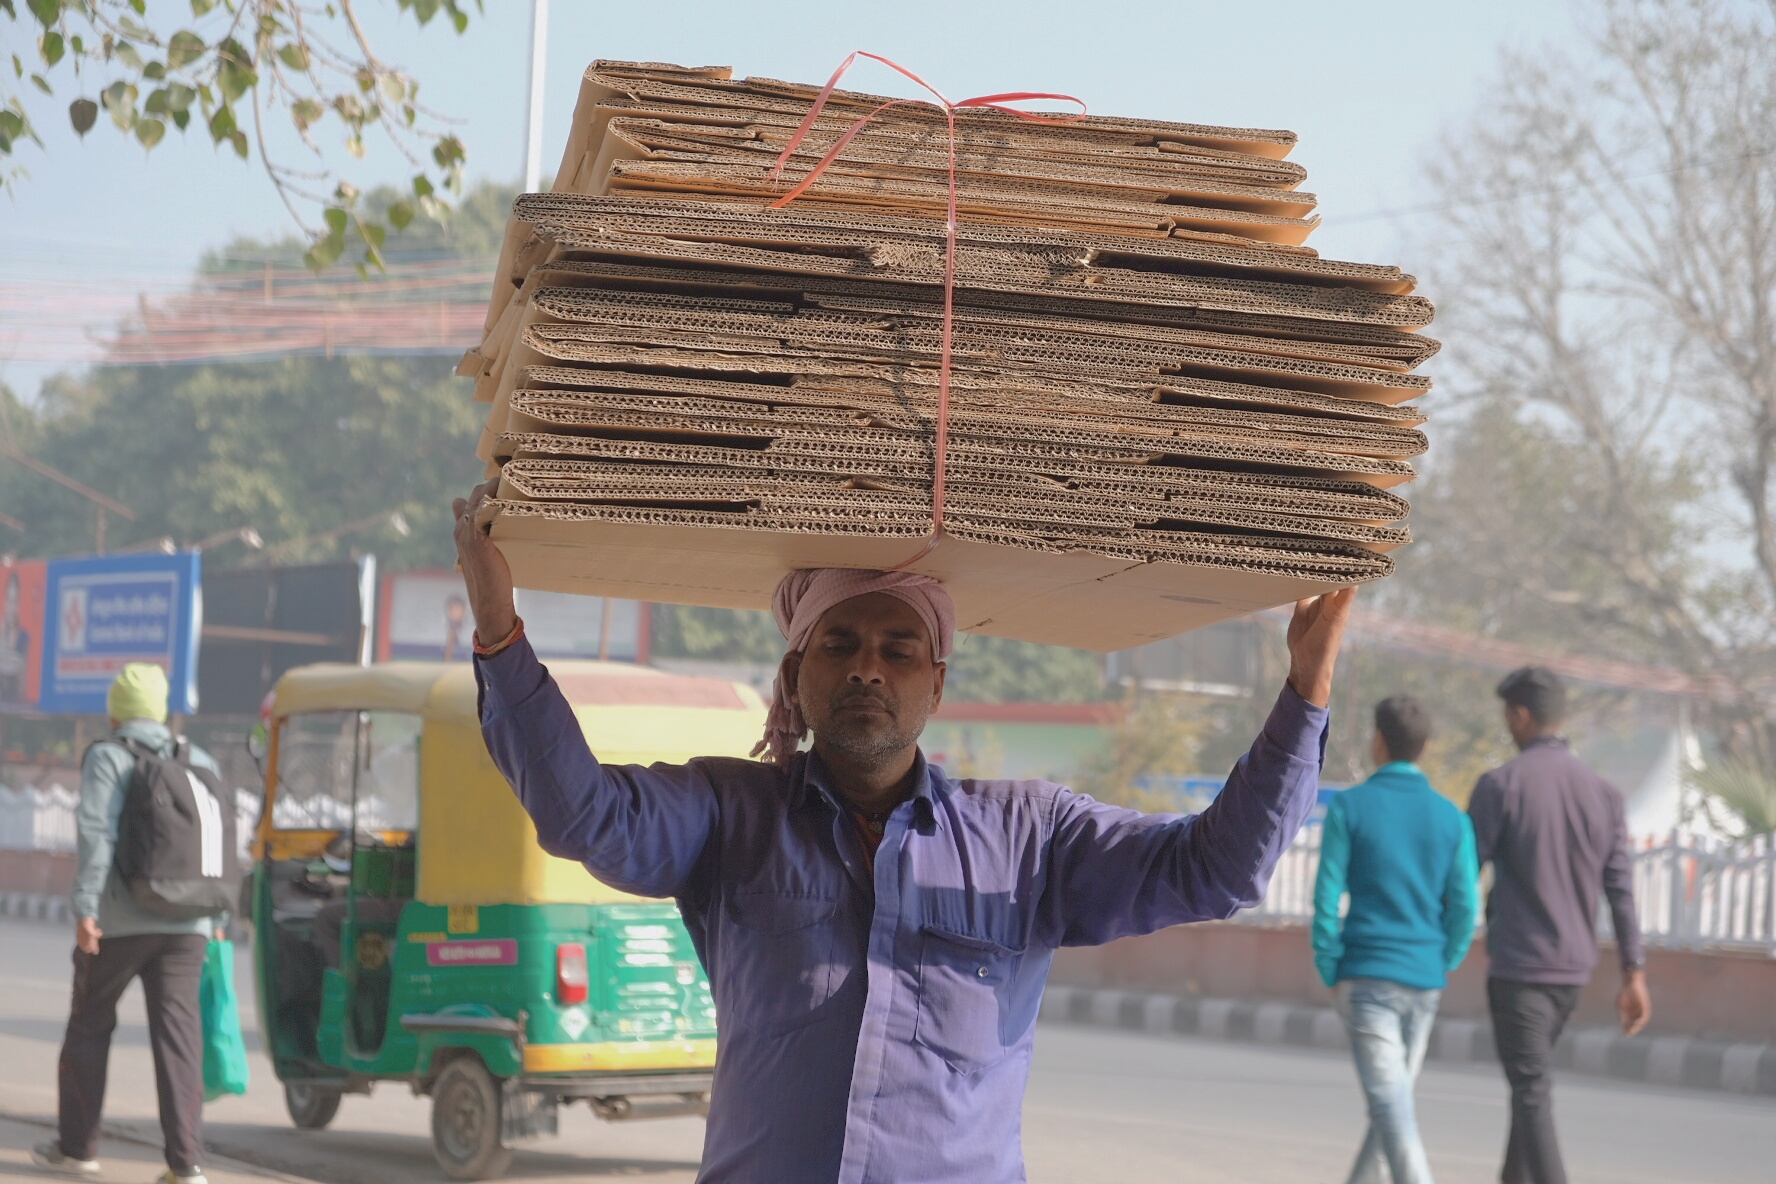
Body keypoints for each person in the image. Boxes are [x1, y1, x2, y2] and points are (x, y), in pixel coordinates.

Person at [453, 480, 1355, 1183]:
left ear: (938, 682)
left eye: (898, 648)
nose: (868, 670)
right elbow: (588, 816)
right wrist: (499, 632)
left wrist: (1306, 692)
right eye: (840, 645)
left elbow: (1219, 870)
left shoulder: (1032, 837)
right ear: (796, 673)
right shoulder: (729, 816)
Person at [32, 664, 224, 1184]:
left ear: (116, 711)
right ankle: (187, 1164)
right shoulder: (200, 759)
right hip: (189, 924)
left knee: (89, 1026)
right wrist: (217, 916)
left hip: (119, 920)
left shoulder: (108, 755)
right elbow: (218, 844)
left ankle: (77, 1149)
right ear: (161, 711)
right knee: (180, 1038)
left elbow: (96, 834)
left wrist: (86, 909)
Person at [1469, 666, 1651, 1184]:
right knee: (1530, 1090)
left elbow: (1463, 875)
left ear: (1521, 716)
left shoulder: (1500, 785)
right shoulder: (1605, 795)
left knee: (1531, 1091)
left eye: (1509, 716)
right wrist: (1633, 975)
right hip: (1573, 972)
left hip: (1520, 969)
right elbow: (1620, 890)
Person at [1312, 695, 1479, 1184]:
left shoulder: (1350, 807)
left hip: (1367, 979)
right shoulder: (1452, 818)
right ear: (1423, 747)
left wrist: (1329, 966)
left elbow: (1325, 900)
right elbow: (1465, 906)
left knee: (1392, 1111)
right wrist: (1442, 961)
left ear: (1378, 741)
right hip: (1424, 981)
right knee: (1392, 1108)